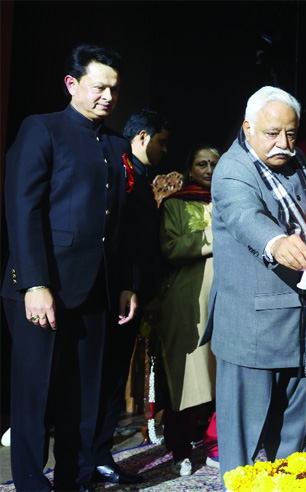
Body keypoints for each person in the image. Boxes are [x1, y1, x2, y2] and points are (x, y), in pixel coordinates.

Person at [1, 44, 137, 492]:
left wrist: (124, 285)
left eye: (114, 90)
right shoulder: (42, 130)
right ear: (71, 84)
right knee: (35, 397)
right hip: (42, 288)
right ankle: (30, 484)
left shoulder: (116, 145)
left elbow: (118, 224)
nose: (108, 97)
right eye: (100, 87)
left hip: (97, 291)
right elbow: (23, 210)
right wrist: (34, 283)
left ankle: (74, 481)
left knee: (85, 398)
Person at [202, 86, 306, 481]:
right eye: (272, 133)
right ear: (247, 128)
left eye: (292, 134)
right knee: (241, 452)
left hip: (300, 328)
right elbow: (245, 216)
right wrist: (276, 242)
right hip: (251, 331)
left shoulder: (295, 161)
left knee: (291, 449)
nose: (284, 143)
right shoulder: (233, 169)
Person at [91, 109, 170, 486]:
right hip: (114, 293)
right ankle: (93, 457)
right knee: (102, 380)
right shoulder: (122, 177)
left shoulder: (140, 177)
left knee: (110, 379)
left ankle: (98, 454)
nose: (165, 149)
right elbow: (129, 244)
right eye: (161, 141)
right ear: (141, 137)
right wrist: (139, 290)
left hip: (130, 294)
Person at [157, 145, 219, 476]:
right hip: (186, 302)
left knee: (221, 376)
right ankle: (180, 449)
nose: (208, 169)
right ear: (190, 169)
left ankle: (216, 443)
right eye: (202, 164)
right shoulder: (175, 204)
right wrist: (214, 234)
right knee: (186, 381)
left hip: (224, 300)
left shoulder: (230, 202)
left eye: (214, 164)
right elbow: (171, 247)